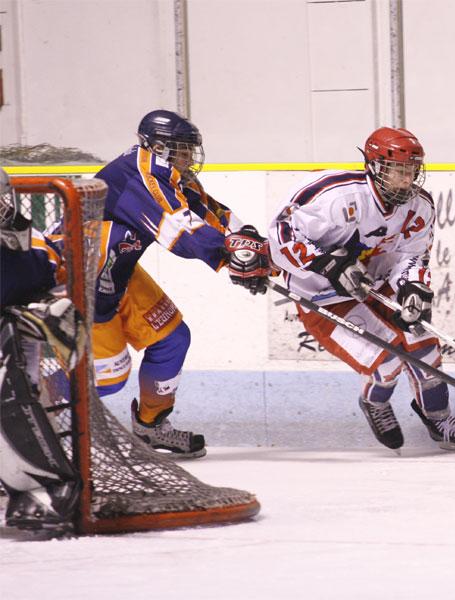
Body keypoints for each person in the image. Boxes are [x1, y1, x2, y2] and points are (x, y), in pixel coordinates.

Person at [266, 127, 455, 451]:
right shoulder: (336, 196)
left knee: (422, 343)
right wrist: (326, 263)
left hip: (377, 283)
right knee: (387, 361)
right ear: (375, 166)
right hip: (323, 295)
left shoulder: (419, 207)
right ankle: (375, 402)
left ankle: (439, 422)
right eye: (398, 170)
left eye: (412, 170)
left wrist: (413, 287)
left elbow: (413, 256)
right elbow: (280, 234)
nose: (406, 179)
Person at [92, 110, 271, 458]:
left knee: (172, 339)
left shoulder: (172, 175)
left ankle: (150, 427)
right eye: (183, 149)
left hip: (118, 273)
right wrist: (228, 256)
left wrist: (257, 253)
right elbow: (180, 229)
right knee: (109, 379)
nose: (189, 157)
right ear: (160, 147)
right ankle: (31, 428)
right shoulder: (139, 174)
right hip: (83, 282)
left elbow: (212, 214)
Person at [0, 167, 87, 531]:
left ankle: (46, 484)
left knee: (8, 380)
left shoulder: (30, 247)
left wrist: (35, 310)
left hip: (14, 347)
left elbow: (53, 280)